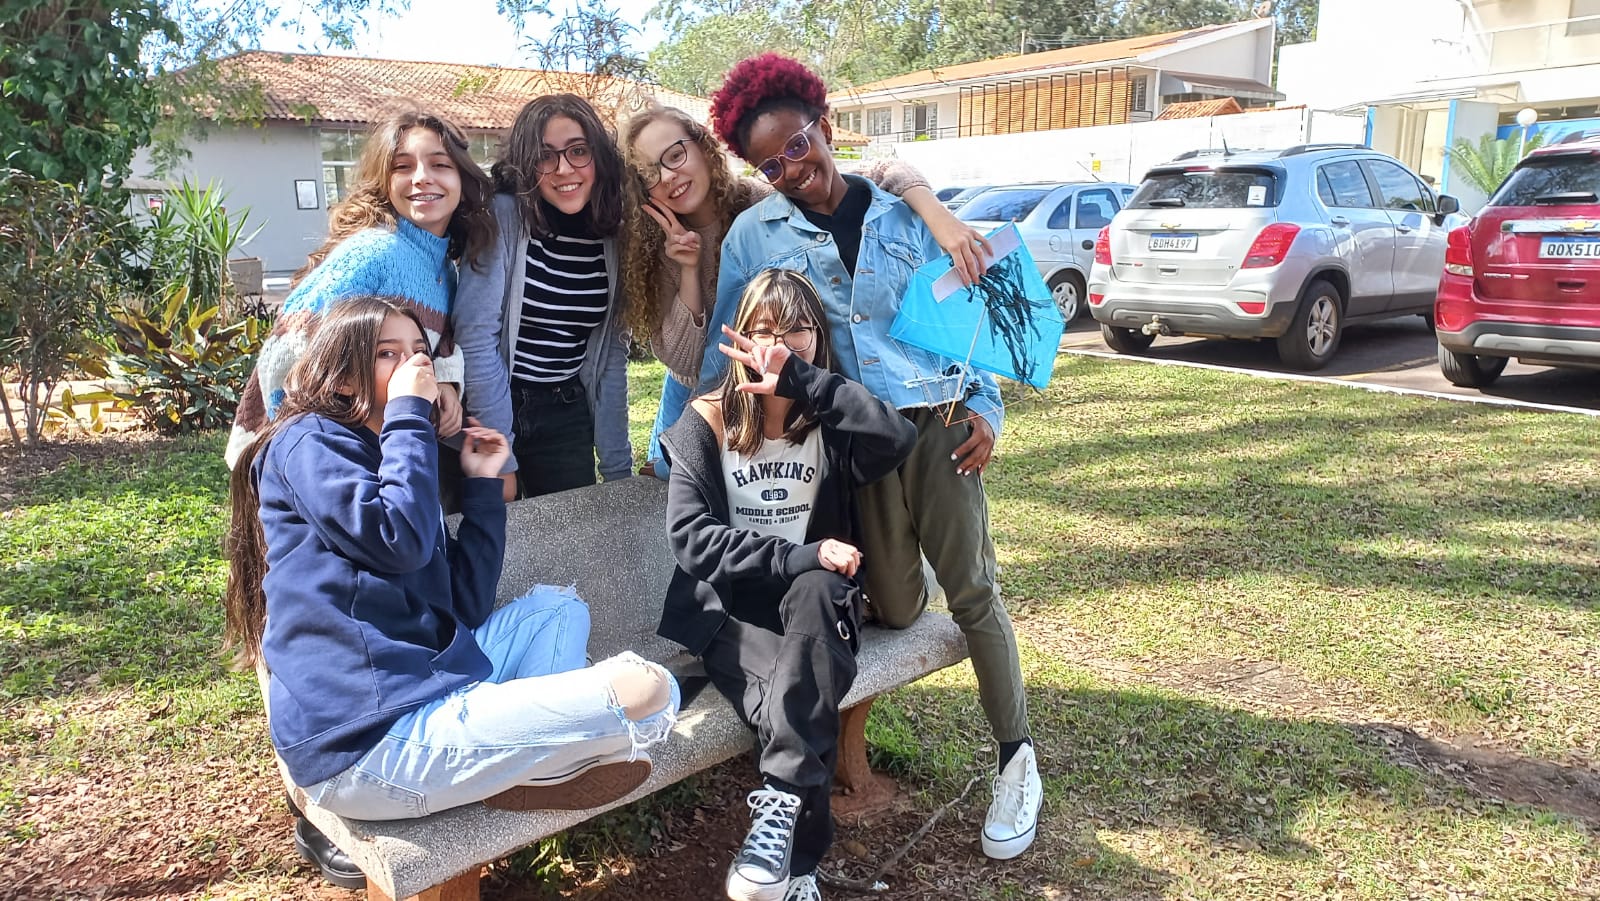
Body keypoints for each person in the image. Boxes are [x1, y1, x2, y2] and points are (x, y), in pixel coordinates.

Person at [702, 54, 1043, 869]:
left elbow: (968, 316)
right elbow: (727, 340)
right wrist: (678, 437)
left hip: (938, 420)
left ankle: (1017, 759)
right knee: (893, 602)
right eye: (769, 164)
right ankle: (914, 557)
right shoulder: (756, 234)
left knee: (972, 590)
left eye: (798, 144)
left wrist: (988, 407)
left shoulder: (905, 212)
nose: (792, 169)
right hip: (855, 441)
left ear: (823, 126)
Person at [224, 296, 680, 887]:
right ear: (341, 375)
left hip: (427, 683)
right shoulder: (307, 442)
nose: (415, 364)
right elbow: (398, 540)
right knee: (650, 688)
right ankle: (534, 758)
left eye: (419, 351)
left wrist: (483, 484)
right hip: (369, 741)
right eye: (388, 353)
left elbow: (464, 605)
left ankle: (524, 760)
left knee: (558, 609)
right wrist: (409, 413)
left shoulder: (395, 450)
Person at [660, 270, 916, 901]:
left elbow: (898, 437)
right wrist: (799, 555)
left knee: (821, 594)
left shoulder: (829, 419)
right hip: (732, 610)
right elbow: (691, 540)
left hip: (814, 607)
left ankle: (777, 821)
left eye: (798, 330)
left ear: (818, 340)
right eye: (765, 329)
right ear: (738, 337)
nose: (779, 343)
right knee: (798, 695)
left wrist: (804, 381)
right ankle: (799, 867)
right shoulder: (706, 419)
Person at [620, 105, 993, 481]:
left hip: (783, 375)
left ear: (703, 145)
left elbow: (874, 173)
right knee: (671, 474)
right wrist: (687, 270)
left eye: (675, 155)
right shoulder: (654, 245)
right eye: (649, 172)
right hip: (701, 382)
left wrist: (934, 211)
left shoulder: (766, 200)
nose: (667, 176)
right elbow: (688, 365)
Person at [225, 106, 495, 469]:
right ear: (384, 181)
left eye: (440, 164)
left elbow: (438, 338)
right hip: (324, 459)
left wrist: (446, 382)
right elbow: (286, 348)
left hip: (384, 450)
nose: (421, 178)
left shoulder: (445, 268)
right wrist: (299, 444)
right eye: (402, 166)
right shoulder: (374, 252)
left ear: (463, 179)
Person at [455, 94, 633, 500]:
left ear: (599, 156)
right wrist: (501, 454)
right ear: (525, 164)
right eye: (544, 156)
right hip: (492, 404)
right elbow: (476, 336)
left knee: (571, 531)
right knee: (497, 531)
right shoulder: (503, 216)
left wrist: (617, 469)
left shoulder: (613, 235)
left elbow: (610, 356)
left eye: (578, 151)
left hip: (565, 410)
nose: (564, 169)